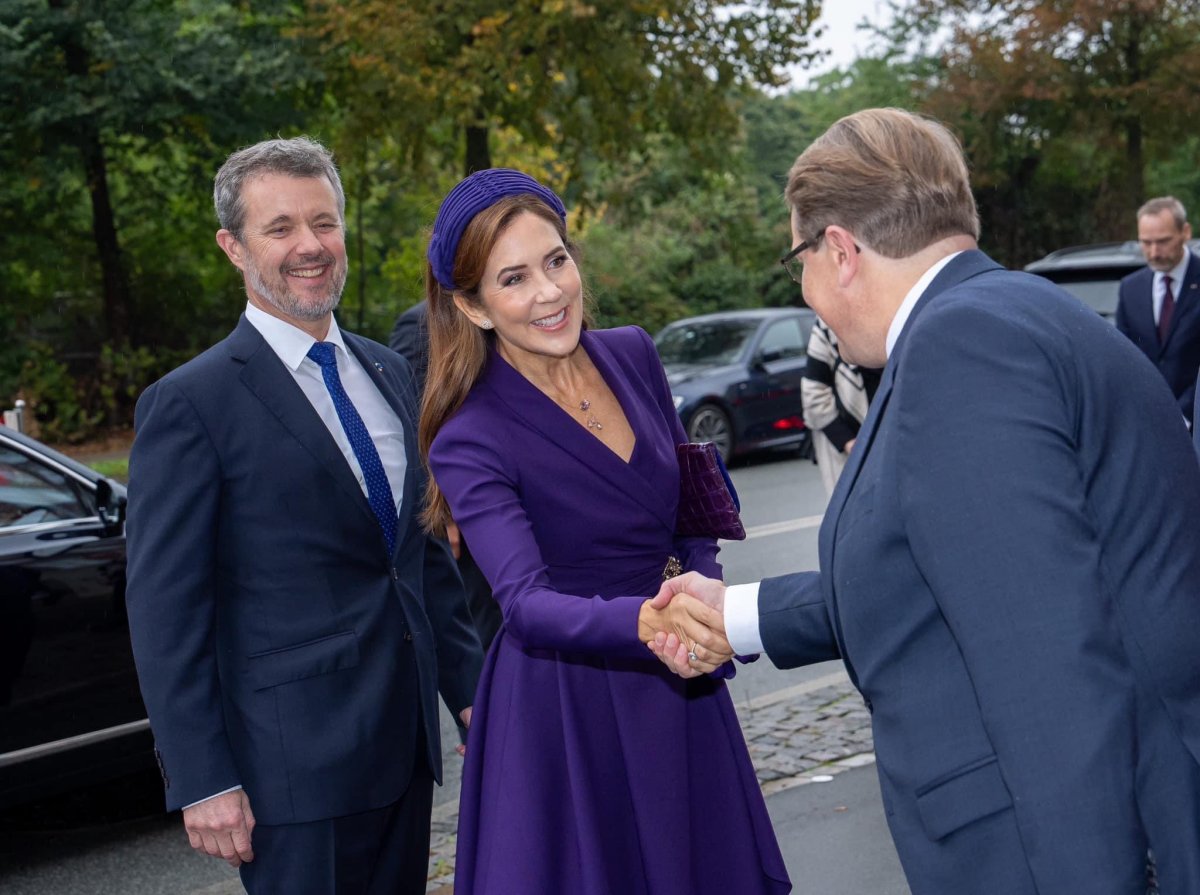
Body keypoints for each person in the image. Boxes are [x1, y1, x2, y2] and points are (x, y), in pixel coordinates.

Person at [650, 108, 1200, 894]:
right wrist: (735, 613)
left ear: (838, 250)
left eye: (797, 259)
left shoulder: (959, 347)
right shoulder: (1011, 314)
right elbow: (946, 570)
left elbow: (1050, 674)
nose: (806, 291)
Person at [124, 136, 483, 895]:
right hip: (289, 773)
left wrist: (471, 692)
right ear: (233, 246)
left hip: (404, 750)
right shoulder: (191, 404)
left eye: (324, 222)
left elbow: (420, 559)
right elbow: (166, 609)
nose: (310, 246)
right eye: (280, 227)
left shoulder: (389, 371)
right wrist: (202, 775)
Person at [419, 168, 790, 895]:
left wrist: (700, 581)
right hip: (569, 706)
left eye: (557, 260)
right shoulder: (469, 437)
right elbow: (524, 601)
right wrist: (654, 622)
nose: (551, 292)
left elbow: (692, 503)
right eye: (515, 278)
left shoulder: (633, 352)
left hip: (680, 678)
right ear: (474, 306)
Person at [389, 300, 502, 649]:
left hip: (527, 502)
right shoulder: (421, 323)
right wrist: (445, 512)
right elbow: (415, 425)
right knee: (488, 628)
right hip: (469, 516)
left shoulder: (509, 307)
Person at [1116, 196, 1200, 426]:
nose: (1153, 252)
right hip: (1146, 424)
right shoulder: (1130, 288)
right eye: (1146, 242)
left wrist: (1183, 415)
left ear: (1186, 232)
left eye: (1163, 241)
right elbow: (1123, 357)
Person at [799, 314, 881, 495]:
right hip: (848, 446)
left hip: (892, 439)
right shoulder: (828, 322)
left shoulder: (895, 311)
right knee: (856, 514)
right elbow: (813, 393)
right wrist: (848, 442)